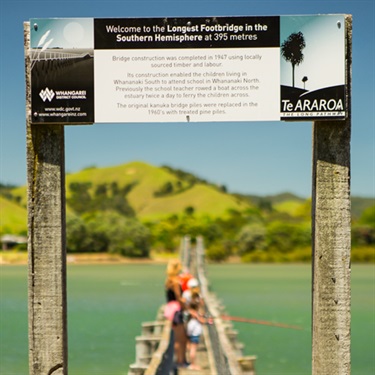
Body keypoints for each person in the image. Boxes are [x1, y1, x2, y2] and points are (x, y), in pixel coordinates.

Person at [164, 259, 188, 367]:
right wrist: (187, 304)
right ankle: (180, 361)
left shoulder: (168, 280)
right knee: (181, 338)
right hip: (177, 311)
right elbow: (179, 298)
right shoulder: (175, 282)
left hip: (171, 310)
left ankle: (180, 360)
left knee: (179, 337)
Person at [186, 298, 213, 370]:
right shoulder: (195, 313)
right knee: (193, 349)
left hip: (191, 333)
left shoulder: (191, 312)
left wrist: (206, 318)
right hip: (195, 334)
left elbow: (201, 316)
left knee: (191, 349)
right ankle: (193, 364)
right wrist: (208, 321)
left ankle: (192, 363)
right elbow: (202, 320)